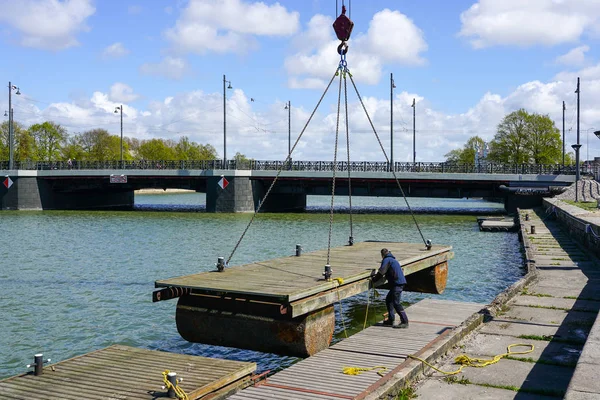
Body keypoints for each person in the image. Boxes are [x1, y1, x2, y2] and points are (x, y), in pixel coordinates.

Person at [371, 248, 409, 328]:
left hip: (397, 284)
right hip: (398, 283)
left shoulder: (387, 260)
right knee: (389, 300)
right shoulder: (393, 260)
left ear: (382, 255)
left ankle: (405, 321)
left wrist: (374, 280)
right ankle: (391, 320)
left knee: (396, 303)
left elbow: (382, 272)